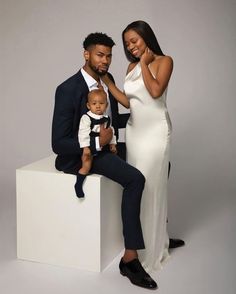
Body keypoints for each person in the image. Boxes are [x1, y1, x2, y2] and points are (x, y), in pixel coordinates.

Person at [51, 32, 158, 289]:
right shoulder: (68, 89)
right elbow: (58, 143)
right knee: (135, 179)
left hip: (107, 147)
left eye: (109, 55)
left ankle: (159, 235)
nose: (106, 60)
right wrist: (98, 141)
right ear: (86, 54)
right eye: (100, 55)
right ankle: (129, 259)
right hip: (86, 153)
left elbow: (111, 120)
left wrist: (146, 115)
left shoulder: (106, 81)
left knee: (159, 163)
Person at [102, 20, 184, 272]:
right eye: (127, 43)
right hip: (135, 133)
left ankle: (157, 242)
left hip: (157, 132)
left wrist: (145, 65)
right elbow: (131, 102)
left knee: (154, 185)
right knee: (140, 186)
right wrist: (109, 84)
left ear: (146, 37)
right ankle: (144, 242)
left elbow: (156, 91)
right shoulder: (130, 65)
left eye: (134, 41)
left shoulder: (164, 60)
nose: (130, 46)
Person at [75, 88, 117, 198]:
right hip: (90, 146)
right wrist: (86, 148)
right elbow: (83, 133)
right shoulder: (87, 117)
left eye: (101, 103)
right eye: (94, 104)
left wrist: (113, 143)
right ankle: (78, 184)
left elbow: (110, 131)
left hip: (102, 148)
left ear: (106, 105)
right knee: (86, 164)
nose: (98, 106)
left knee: (113, 159)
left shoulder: (106, 118)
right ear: (88, 106)